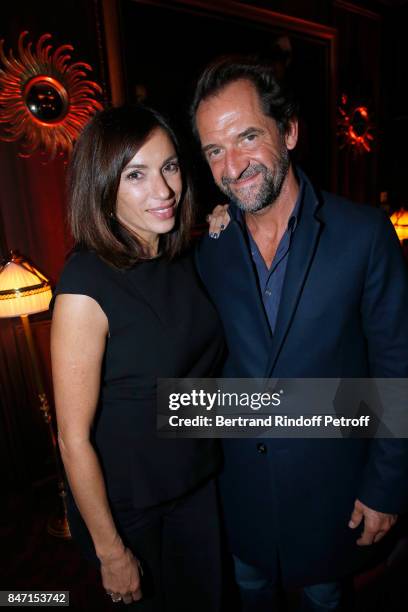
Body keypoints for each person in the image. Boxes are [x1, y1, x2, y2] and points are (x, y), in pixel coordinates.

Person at [190, 56, 408, 611]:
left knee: (324, 600)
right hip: (240, 501)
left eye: (247, 138)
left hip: (331, 497)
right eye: (214, 150)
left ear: (288, 132)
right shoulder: (206, 248)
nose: (232, 165)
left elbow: (395, 367)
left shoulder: (363, 233)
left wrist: (385, 486)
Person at [50, 105, 225, 610]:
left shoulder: (179, 254)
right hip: (130, 509)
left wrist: (220, 220)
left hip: (195, 481)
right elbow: (73, 439)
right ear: (103, 187)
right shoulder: (85, 285)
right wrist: (111, 550)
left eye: (170, 166)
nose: (164, 190)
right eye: (136, 174)